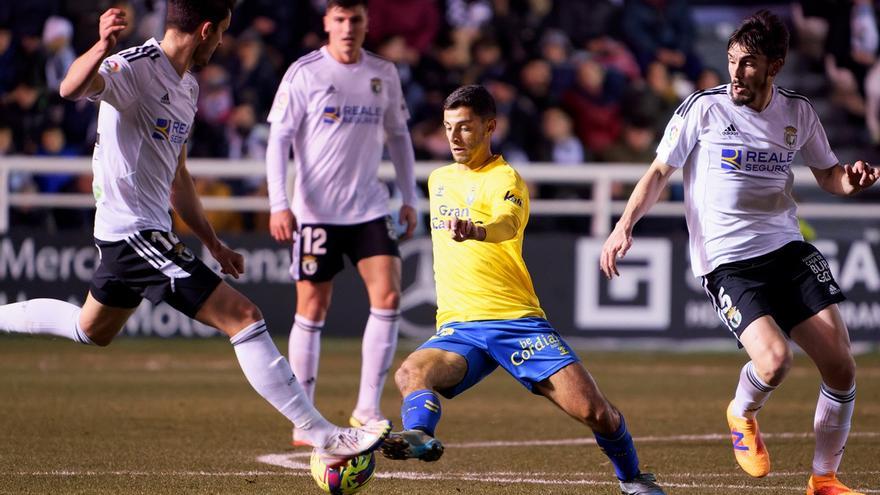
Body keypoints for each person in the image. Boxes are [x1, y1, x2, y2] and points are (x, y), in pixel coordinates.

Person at [0, 0, 390, 468]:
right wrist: (102, 45)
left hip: (138, 233)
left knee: (90, 330)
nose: (223, 42)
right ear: (206, 30)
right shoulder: (136, 66)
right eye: (223, 32)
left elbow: (177, 175)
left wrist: (212, 242)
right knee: (244, 316)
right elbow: (70, 87)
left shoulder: (186, 85)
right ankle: (320, 433)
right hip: (132, 233)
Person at [600, 11, 877, 495]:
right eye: (732, 60)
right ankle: (741, 410)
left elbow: (829, 174)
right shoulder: (703, 109)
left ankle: (824, 480)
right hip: (727, 261)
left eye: (749, 63)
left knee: (842, 366)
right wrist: (623, 226)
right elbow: (660, 172)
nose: (736, 72)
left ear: (777, 64)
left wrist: (848, 182)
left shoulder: (798, 113)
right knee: (774, 363)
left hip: (786, 247)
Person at [379, 85, 666, 495]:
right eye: (448, 128)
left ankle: (633, 477)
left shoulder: (506, 178)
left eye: (465, 127)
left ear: (490, 126)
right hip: (460, 328)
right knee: (410, 372)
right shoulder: (439, 180)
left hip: (516, 322)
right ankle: (419, 435)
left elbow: (507, 223)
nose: (455, 138)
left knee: (594, 411)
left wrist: (478, 229)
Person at [265, 0, 418, 445]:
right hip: (316, 213)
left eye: (355, 19)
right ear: (326, 23)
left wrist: (408, 197)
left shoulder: (383, 73)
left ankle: (367, 406)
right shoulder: (304, 72)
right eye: (340, 19)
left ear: (367, 23)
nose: (348, 27)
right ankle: (303, 415)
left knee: (389, 296)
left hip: (370, 206)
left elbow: (399, 136)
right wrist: (279, 203)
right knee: (312, 308)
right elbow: (279, 141)